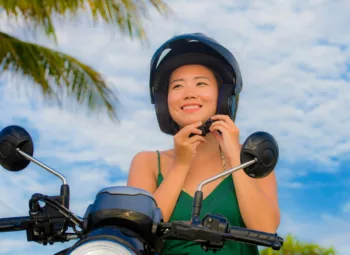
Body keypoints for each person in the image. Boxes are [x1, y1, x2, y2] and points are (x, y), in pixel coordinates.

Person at [127, 33, 281, 254]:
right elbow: (139, 232)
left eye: (201, 83)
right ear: (164, 100)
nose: (189, 94)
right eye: (177, 86)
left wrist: (235, 157)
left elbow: (265, 228)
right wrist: (181, 164)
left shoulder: (253, 162)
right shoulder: (148, 162)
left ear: (222, 95)